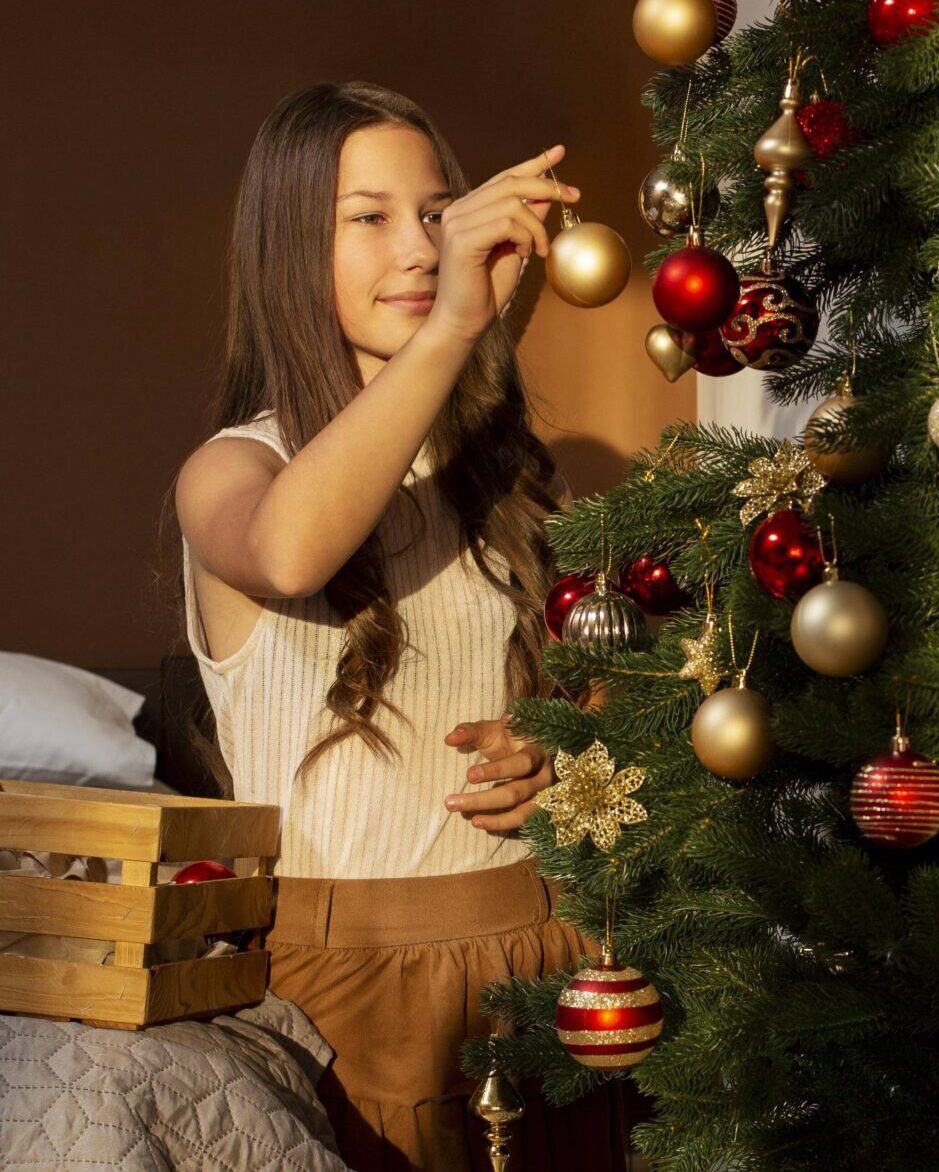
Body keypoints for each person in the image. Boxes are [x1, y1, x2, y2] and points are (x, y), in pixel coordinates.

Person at [172, 81, 625, 1170]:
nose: (421, 248)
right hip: (346, 986)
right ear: (289, 249)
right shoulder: (238, 466)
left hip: (550, 954)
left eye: (437, 211)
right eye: (368, 217)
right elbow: (292, 552)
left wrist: (561, 742)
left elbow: (609, 691)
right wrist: (463, 327)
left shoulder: (510, 484)